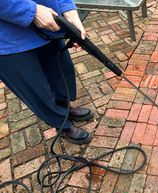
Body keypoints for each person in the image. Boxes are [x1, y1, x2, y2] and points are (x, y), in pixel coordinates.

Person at [0, 0, 94, 144]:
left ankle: (65, 109)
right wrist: (31, 11)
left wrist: (68, 11)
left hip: (48, 23)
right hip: (8, 38)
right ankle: (62, 124)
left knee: (61, 73)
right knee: (36, 90)